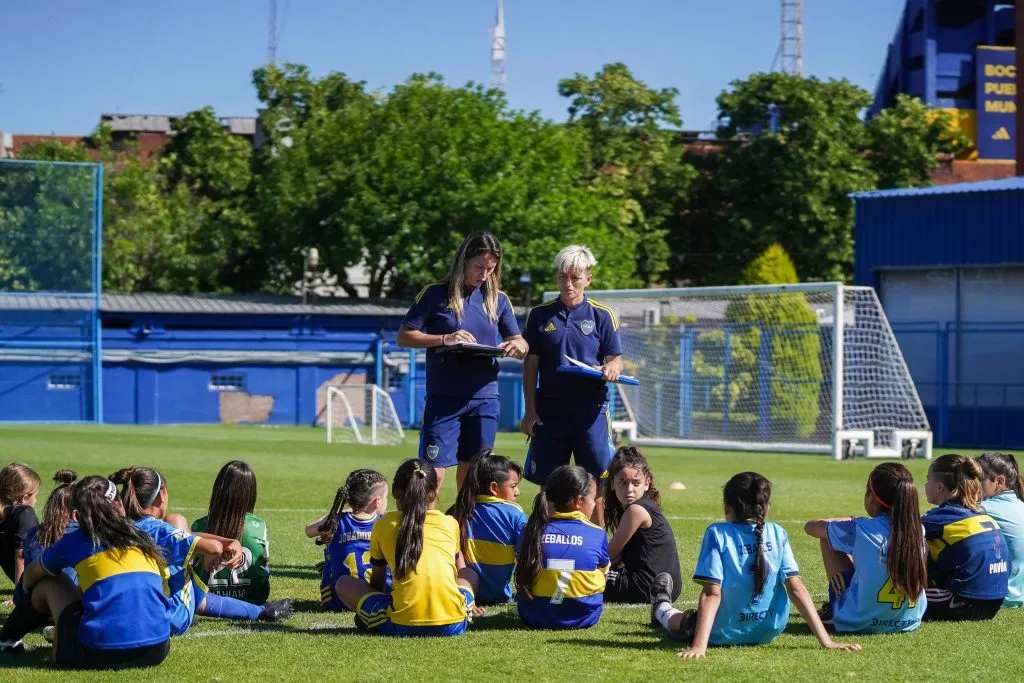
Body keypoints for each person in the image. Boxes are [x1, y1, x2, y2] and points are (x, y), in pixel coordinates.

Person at [651, 472, 860, 659]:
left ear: (727, 508)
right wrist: (827, 642)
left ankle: (662, 608)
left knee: (685, 619)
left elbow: (711, 594)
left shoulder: (717, 533)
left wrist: (699, 646)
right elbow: (796, 589)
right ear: (766, 508)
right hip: (768, 630)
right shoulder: (778, 533)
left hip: (724, 632)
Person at [397, 231, 528, 490]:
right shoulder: (435, 294)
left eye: (490, 269)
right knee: (432, 476)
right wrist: (445, 339)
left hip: (485, 399)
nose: (484, 274)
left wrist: (516, 346)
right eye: (479, 266)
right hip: (444, 398)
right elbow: (404, 336)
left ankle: (464, 529)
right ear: (463, 261)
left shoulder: (498, 300)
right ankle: (429, 529)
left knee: (474, 476)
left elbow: (521, 343)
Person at [12, 476, 172, 669]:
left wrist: (24, 598)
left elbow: (31, 575)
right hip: (158, 649)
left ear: (77, 516)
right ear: (119, 503)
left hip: (98, 653)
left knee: (52, 581)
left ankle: (8, 638)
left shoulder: (76, 540)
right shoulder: (142, 536)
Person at [111, 467, 292, 634]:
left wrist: (224, 541)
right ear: (161, 496)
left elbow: (179, 536)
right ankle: (259, 611)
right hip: (170, 618)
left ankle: (259, 612)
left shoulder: (115, 527)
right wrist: (219, 547)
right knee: (176, 521)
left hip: (129, 612)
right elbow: (212, 547)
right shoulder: (161, 530)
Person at [521, 245, 623, 526]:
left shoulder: (603, 315)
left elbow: (615, 358)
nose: (568, 284)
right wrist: (530, 411)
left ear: (588, 280)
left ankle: (598, 552)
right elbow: (530, 365)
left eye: (575, 278)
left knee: (597, 482)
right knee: (548, 483)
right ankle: (544, 545)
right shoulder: (540, 315)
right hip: (549, 412)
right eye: (563, 277)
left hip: (590, 412)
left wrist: (613, 367)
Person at [332, 459, 478, 636]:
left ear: (395, 494)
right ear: (435, 492)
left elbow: (378, 581)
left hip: (402, 624)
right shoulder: (449, 523)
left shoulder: (384, 524)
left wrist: (369, 609)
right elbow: (456, 572)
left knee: (344, 583)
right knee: (469, 574)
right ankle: (466, 607)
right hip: (454, 623)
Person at [803, 463, 927, 634]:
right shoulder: (918, 529)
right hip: (908, 620)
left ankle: (837, 609)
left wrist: (850, 520)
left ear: (872, 497)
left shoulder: (862, 528)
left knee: (828, 537)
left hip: (859, 621)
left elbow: (810, 527)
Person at [515, 465, 609, 629]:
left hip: (533, 614)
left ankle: (554, 601)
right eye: (593, 499)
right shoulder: (596, 533)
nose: (594, 505)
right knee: (602, 570)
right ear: (579, 501)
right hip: (583, 616)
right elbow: (604, 570)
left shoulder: (529, 529)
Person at [921, 453, 1009, 621]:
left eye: (928, 480)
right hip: (995, 602)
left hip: (964, 603)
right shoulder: (979, 514)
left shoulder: (942, 518)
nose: (925, 485)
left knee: (898, 597)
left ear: (939, 487)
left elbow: (896, 530)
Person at [603, 447, 681, 604]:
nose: (629, 490)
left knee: (584, 575)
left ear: (647, 483)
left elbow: (609, 555)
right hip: (668, 587)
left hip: (646, 587)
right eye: (623, 483)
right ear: (612, 483)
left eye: (636, 483)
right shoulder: (644, 505)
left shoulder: (636, 510)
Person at [305, 469, 390, 611]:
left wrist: (338, 513)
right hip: (380, 596)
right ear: (377, 501)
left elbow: (308, 530)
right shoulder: (385, 524)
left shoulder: (335, 521)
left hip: (338, 600)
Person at [451, 449, 527, 607]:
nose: (517, 492)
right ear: (494, 488)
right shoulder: (515, 513)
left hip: (460, 592)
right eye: (513, 486)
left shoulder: (456, 510)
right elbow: (525, 559)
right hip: (497, 595)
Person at [191, 461, 272, 605]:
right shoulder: (258, 525)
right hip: (253, 598)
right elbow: (263, 562)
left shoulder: (198, 526)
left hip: (209, 599)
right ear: (250, 493)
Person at [978, 452, 1024, 608]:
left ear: (999, 481)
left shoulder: (984, 509)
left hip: (1001, 596)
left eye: (978, 480)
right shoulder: (1020, 505)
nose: (972, 485)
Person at [0, 462, 41, 592]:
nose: (36, 500)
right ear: (24, 498)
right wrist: (20, 593)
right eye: (35, 495)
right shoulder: (24, 513)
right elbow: (22, 555)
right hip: (42, 579)